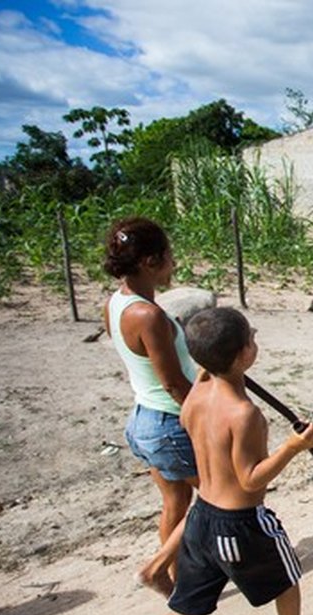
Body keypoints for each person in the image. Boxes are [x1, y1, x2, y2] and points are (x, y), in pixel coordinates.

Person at [145, 307, 313, 615]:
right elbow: (250, 480)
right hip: (241, 525)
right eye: (251, 337)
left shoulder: (196, 394)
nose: (255, 339)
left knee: (185, 606)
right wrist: (293, 447)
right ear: (243, 354)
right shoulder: (245, 415)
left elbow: (211, 368)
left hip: (201, 519)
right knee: (286, 577)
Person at [103, 218, 197, 593]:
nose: (174, 262)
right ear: (149, 261)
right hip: (170, 423)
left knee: (176, 500)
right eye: (169, 255)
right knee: (222, 495)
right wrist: (208, 414)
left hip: (144, 418)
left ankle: (175, 577)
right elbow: (173, 384)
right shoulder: (148, 315)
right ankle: (157, 568)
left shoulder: (117, 303)